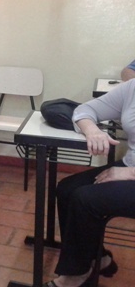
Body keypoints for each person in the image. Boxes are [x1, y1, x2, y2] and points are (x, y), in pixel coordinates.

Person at [42, 81, 135, 287]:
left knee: (85, 199)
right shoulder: (132, 88)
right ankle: (97, 258)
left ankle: (76, 274)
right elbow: (84, 110)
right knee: (67, 189)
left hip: (131, 171)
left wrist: (130, 173)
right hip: (129, 166)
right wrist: (92, 130)